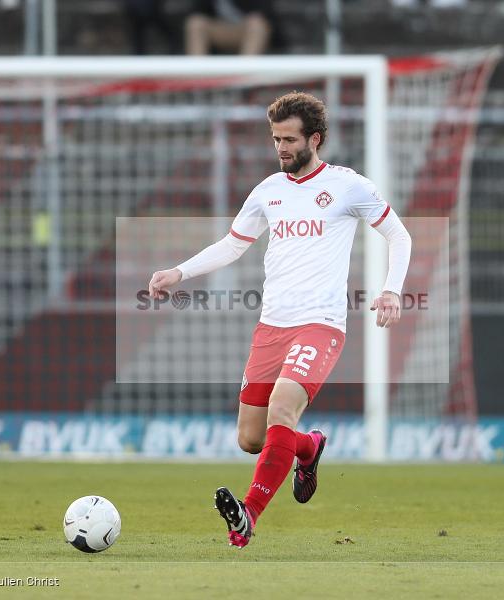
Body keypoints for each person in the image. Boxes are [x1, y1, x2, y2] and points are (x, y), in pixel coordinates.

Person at [147, 92, 412, 548]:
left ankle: (247, 516)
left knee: (281, 409)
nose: (281, 148)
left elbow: (398, 234)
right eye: (275, 139)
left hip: (321, 324)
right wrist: (179, 271)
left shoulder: (348, 186)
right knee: (251, 439)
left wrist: (391, 290)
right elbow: (233, 244)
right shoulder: (268, 191)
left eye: (289, 139)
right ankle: (307, 449)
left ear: (316, 138)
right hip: (272, 326)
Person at [184, 0, 277, 55]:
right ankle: (197, 75)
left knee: (256, 24)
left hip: (246, 30)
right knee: (195, 23)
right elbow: (197, 12)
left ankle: (245, 72)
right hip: (218, 30)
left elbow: (264, 14)